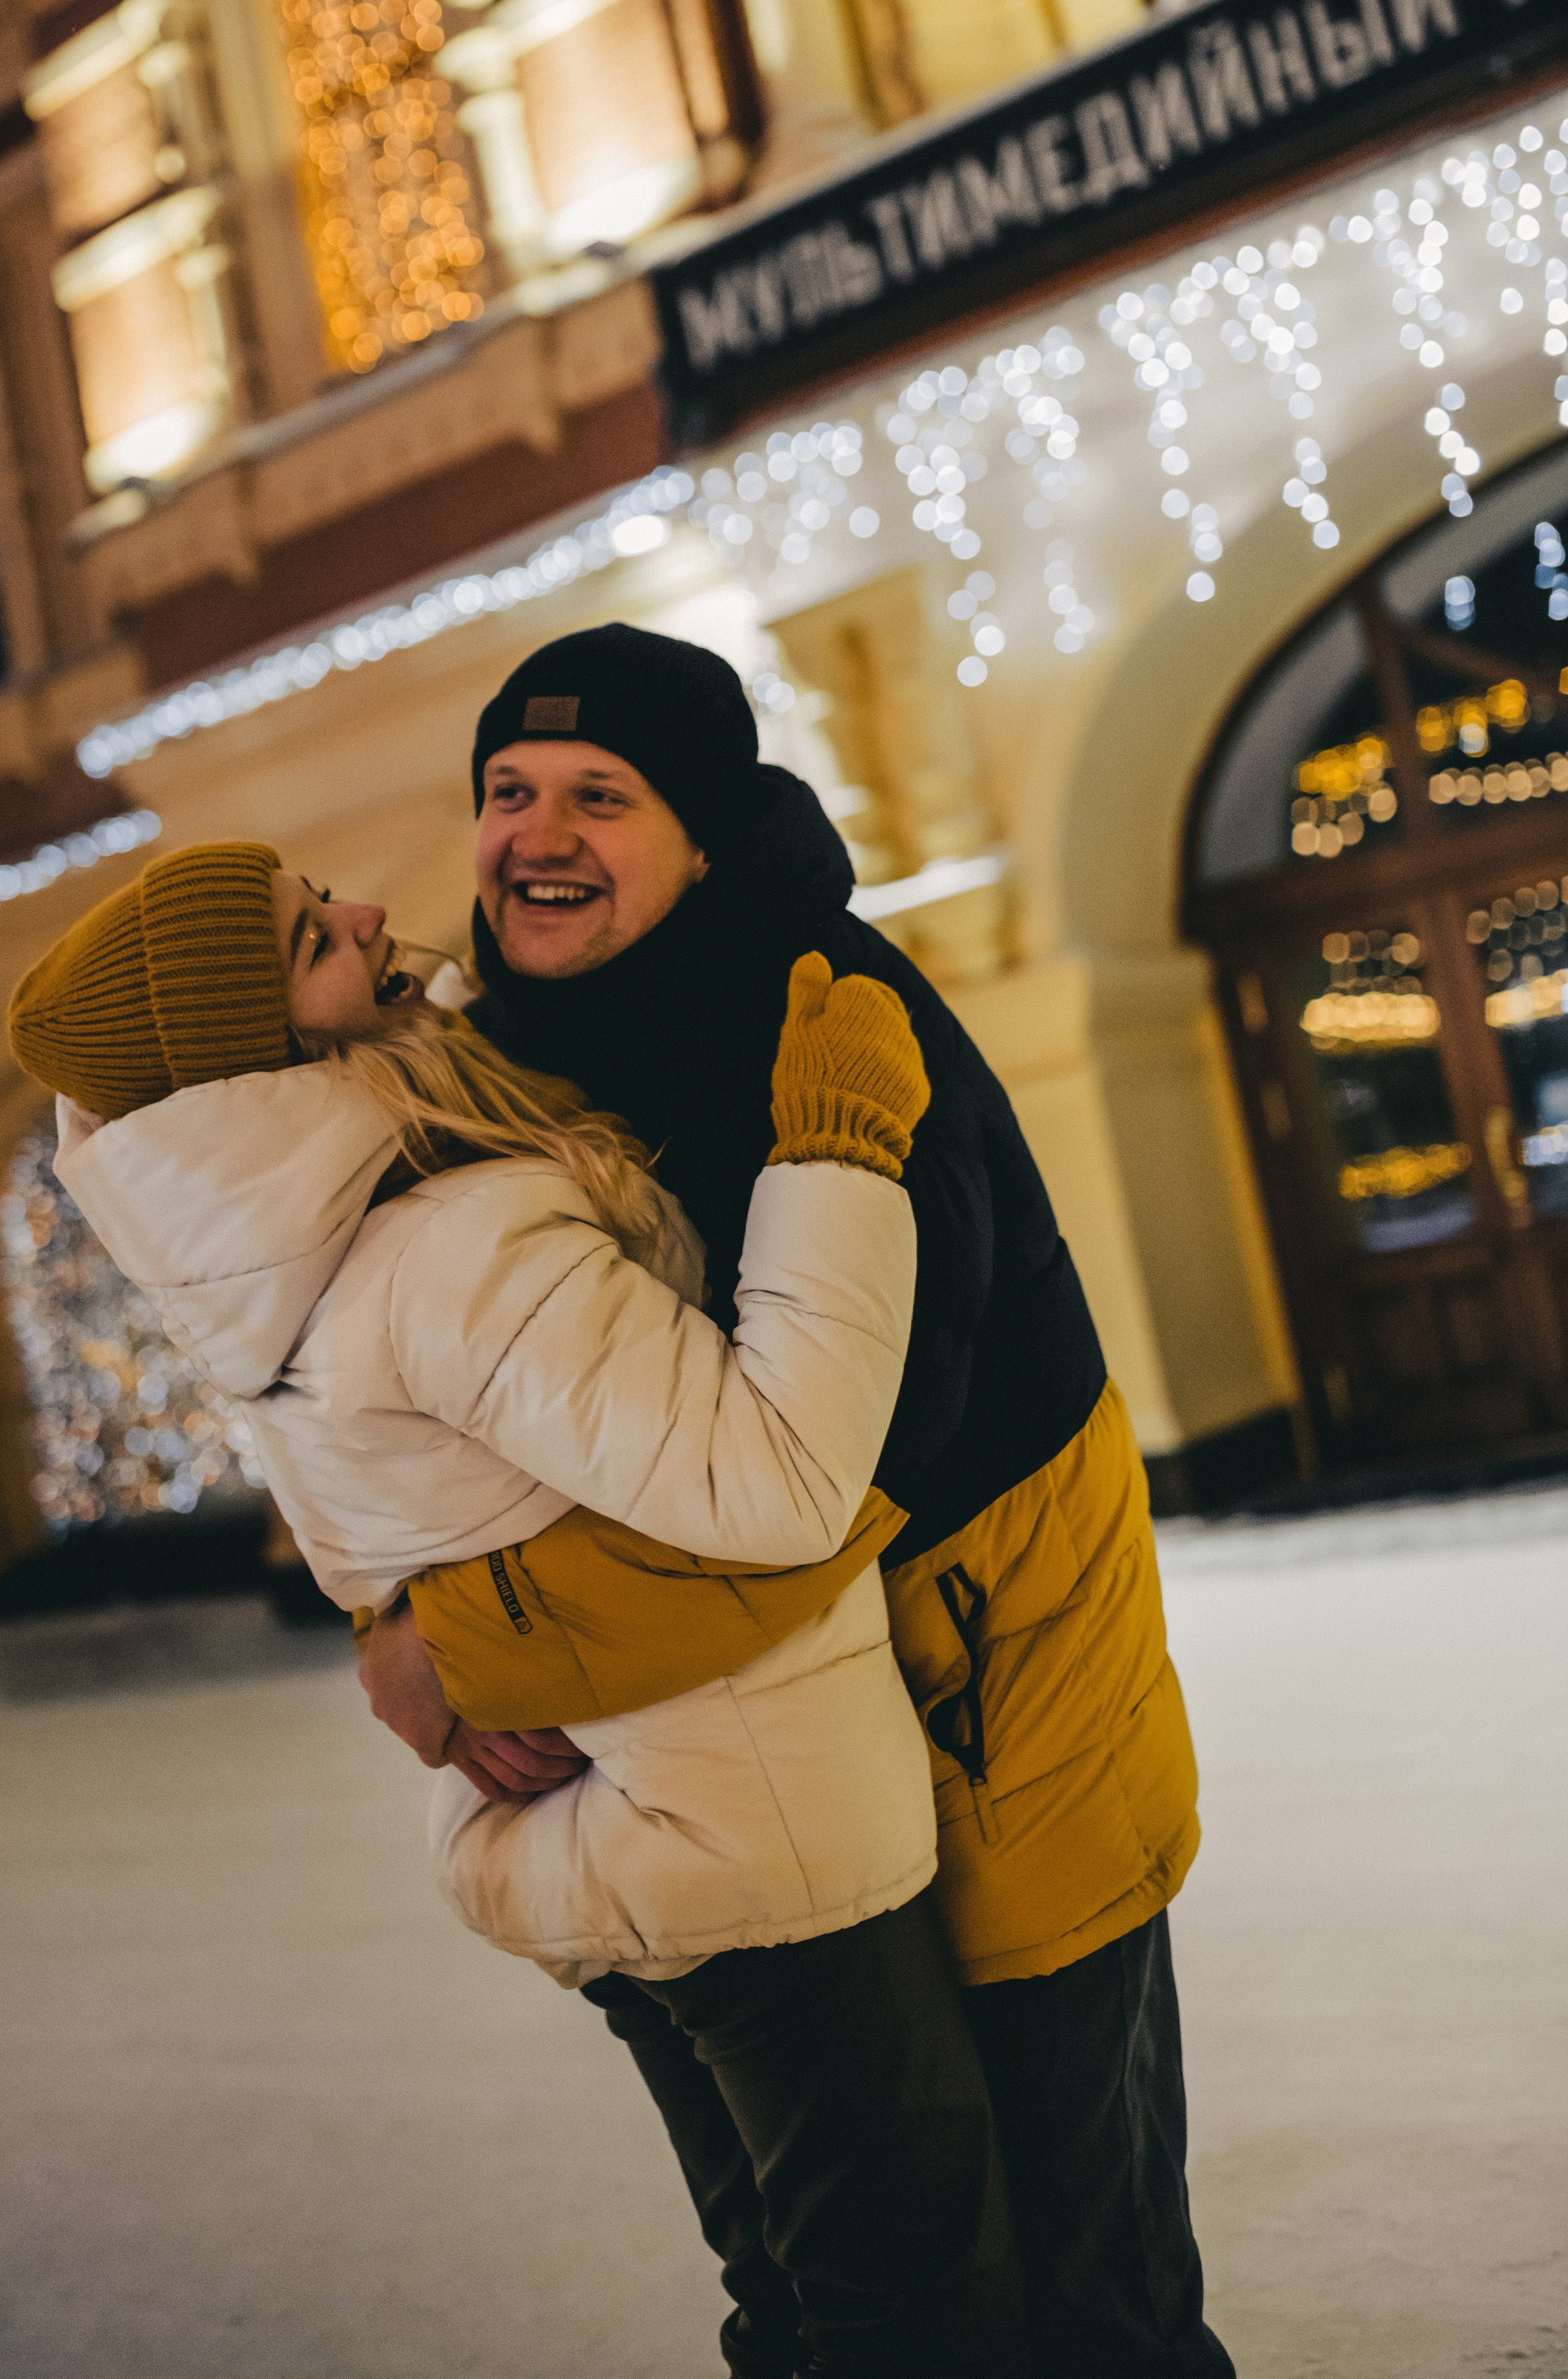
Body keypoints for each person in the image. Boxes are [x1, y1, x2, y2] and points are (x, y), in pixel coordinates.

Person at [5, 840, 1032, 2377]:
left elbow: (373, 1556)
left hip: (612, 1836)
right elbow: (772, 1477)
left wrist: (426, 1654)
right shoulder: (449, 1248)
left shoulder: (267, 1280)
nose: (366, 914)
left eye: (319, 892)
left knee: (791, 2283)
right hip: (760, 1829)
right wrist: (835, 1152)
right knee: (913, 2297)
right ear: (254, 1055)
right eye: (310, 943)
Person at [358, 622, 1234, 2379]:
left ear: (702, 828)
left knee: (1081, 2279)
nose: (537, 834)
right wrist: (404, 1615)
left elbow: (820, 1481)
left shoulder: (831, 1023)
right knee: (825, 2267)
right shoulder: (501, 1053)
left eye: (599, 796)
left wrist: (469, 1647)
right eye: (507, 791)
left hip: (992, 1688)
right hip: (765, 1746)